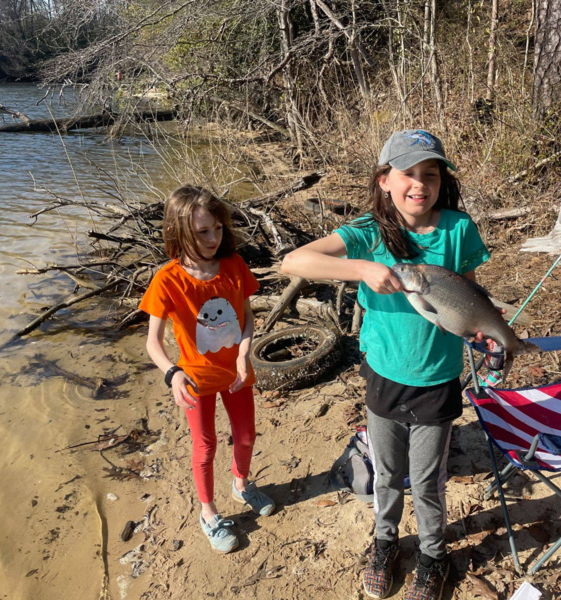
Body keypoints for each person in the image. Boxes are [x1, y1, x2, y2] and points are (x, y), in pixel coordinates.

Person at [281, 130, 491, 600]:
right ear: (383, 180)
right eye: (408, 174)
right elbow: (293, 262)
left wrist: (483, 332)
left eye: (430, 175)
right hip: (383, 378)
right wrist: (362, 269)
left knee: (429, 481)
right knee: (387, 472)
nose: (420, 184)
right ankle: (385, 541)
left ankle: (435, 555)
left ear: (441, 182)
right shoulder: (367, 234)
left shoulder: (458, 229)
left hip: (438, 380)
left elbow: (471, 297)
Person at [139, 185, 275, 554]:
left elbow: (246, 317)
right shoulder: (168, 279)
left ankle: (242, 483)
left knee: (246, 435)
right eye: (202, 232)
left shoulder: (233, 265)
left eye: (217, 228)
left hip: (237, 373)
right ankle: (208, 512)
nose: (213, 238)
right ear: (179, 232)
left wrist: (244, 353)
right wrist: (172, 373)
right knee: (205, 446)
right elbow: (153, 341)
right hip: (195, 380)